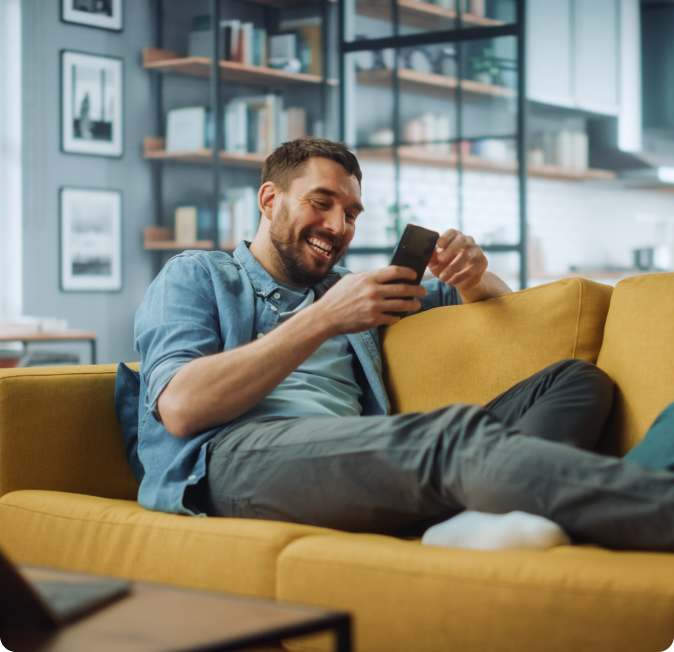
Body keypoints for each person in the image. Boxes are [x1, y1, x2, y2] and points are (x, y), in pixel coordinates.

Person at [133, 137, 674, 552]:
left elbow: (502, 307)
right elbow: (181, 408)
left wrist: (471, 276)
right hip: (232, 462)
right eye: (321, 203)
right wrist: (324, 319)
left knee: (574, 379)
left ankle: (481, 527)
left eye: (350, 213)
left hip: (350, 456)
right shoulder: (198, 275)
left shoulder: (352, 291)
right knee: (449, 437)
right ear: (270, 200)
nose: (337, 225)